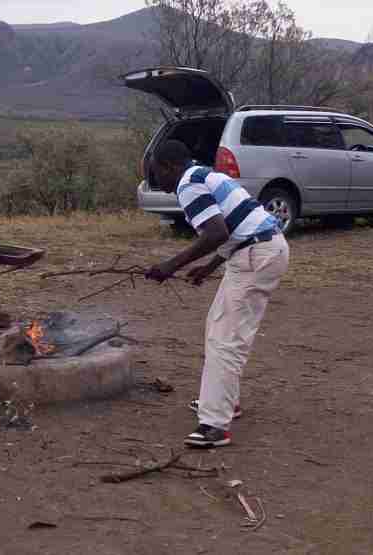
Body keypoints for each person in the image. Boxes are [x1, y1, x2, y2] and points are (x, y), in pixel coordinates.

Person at [144, 140, 290, 448]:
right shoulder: (205, 175)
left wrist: (171, 265)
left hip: (256, 254)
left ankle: (214, 426)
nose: (160, 182)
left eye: (158, 173)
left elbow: (217, 232)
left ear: (170, 166)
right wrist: (210, 266)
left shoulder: (188, 184)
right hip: (257, 249)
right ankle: (225, 403)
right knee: (220, 329)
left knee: (225, 339)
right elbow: (235, 226)